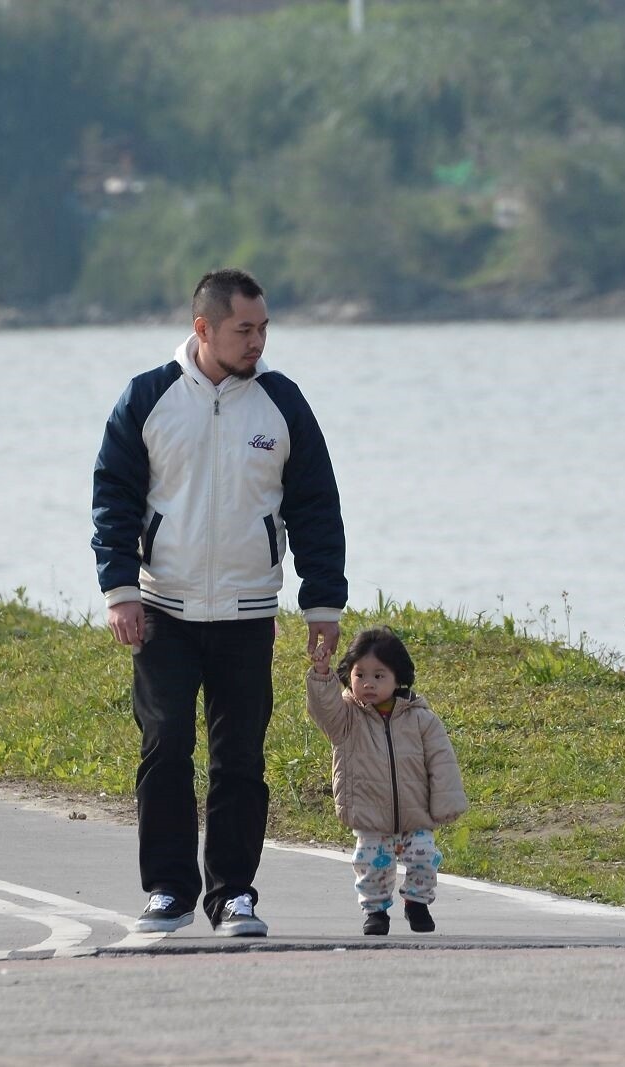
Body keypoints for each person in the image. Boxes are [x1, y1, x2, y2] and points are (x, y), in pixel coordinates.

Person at [92, 268, 347, 937]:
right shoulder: (148, 397)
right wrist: (119, 590)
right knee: (166, 744)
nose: (258, 340)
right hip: (162, 611)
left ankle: (234, 894)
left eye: (264, 327)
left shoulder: (282, 404)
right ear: (203, 328)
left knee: (241, 758)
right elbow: (113, 498)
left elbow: (317, 509)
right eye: (245, 328)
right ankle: (169, 892)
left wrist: (323, 603)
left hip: (247, 612)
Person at [306, 626, 468, 935]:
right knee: (372, 866)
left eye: (379, 676)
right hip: (370, 815)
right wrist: (321, 672)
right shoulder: (347, 718)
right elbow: (323, 710)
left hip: (415, 813)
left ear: (398, 677)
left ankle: (416, 903)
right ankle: (376, 911)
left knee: (424, 857)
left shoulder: (420, 717)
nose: (368, 684)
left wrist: (446, 803)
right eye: (360, 675)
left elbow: (441, 761)